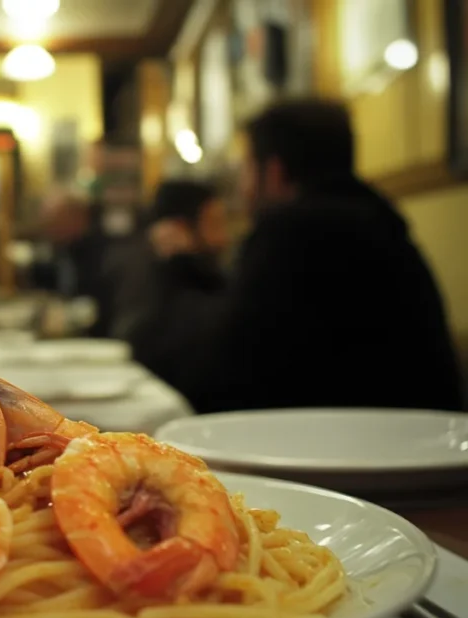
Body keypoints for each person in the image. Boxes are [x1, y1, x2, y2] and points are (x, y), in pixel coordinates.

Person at [161, 98, 463, 413]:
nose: (243, 187)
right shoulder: (379, 222)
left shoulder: (292, 232)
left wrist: (178, 268)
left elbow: (213, 371)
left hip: (361, 449)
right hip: (424, 435)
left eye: (247, 168)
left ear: (274, 172)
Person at [127, 180, 228, 391]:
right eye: (215, 224)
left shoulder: (203, 276)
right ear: (178, 229)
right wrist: (179, 264)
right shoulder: (142, 271)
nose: (224, 238)